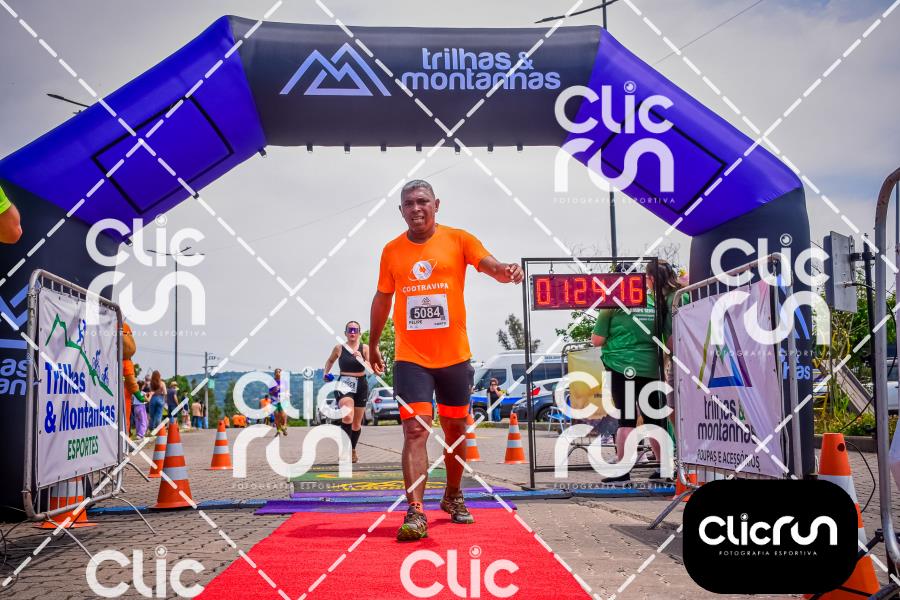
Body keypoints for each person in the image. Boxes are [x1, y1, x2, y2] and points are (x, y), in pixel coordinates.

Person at [368, 179, 523, 541]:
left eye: (422, 201)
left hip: (454, 357)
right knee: (415, 429)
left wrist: (505, 271)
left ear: (436, 204)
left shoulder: (459, 239)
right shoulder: (391, 250)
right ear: (401, 210)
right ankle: (415, 511)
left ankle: (453, 494)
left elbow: (489, 265)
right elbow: (383, 297)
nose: (416, 208)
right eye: (409, 203)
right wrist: (373, 344)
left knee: (455, 431)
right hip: (411, 358)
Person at [590, 261, 680, 483]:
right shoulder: (655, 302)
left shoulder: (610, 304)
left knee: (627, 420)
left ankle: (623, 471)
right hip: (651, 367)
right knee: (655, 420)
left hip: (621, 367)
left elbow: (597, 340)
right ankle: (665, 470)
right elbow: (667, 336)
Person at [323, 322, 370, 462]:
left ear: (359, 333)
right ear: (345, 333)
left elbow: (371, 368)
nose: (352, 332)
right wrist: (325, 373)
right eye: (350, 330)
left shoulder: (365, 348)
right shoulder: (339, 348)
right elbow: (330, 361)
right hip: (344, 383)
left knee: (356, 424)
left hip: (361, 384)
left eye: (355, 330)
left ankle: (352, 449)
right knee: (348, 416)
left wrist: (362, 359)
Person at [269, 368, 288, 436]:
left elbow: (286, 391)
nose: (278, 373)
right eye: (276, 372)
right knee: (276, 416)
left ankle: (284, 427)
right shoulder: (272, 382)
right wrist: (274, 390)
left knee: (283, 416)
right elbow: (270, 393)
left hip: (282, 400)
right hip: (274, 400)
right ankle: (278, 431)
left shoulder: (284, 382)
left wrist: (287, 395)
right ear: (274, 374)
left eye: (279, 372)